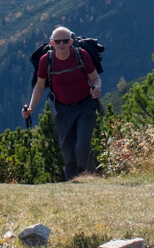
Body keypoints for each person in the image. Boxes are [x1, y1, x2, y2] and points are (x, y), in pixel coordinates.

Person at [22, 26, 102, 181]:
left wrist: (97, 88)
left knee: (82, 146)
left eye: (65, 41)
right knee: (68, 152)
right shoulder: (46, 61)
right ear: (52, 43)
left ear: (71, 41)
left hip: (85, 106)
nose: (61, 44)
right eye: (57, 41)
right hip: (62, 110)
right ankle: (72, 184)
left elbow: (95, 78)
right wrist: (31, 108)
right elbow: (39, 86)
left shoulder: (81, 55)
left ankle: (91, 180)